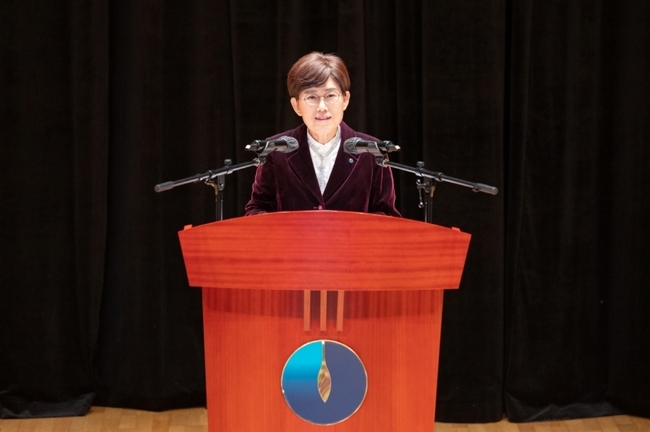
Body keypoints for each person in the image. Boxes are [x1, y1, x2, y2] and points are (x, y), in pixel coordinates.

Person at [244, 52, 400, 217]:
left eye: (330, 95)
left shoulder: (371, 151)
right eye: (311, 97)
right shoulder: (276, 150)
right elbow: (256, 209)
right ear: (296, 105)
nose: (322, 107)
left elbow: (387, 216)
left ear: (345, 100)